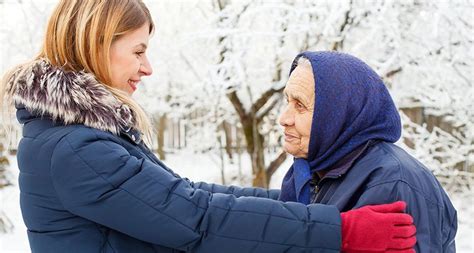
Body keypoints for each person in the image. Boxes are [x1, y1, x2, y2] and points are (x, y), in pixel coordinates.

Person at [0, 1, 417, 252]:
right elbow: (195, 218)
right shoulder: (75, 149)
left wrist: (294, 200)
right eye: (138, 51)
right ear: (95, 42)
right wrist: (338, 232)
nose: (148, 67)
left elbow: (186, 194)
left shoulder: (77, 135)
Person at [278, 51, 457, 252]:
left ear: (338, 114)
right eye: (288, 101)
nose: (283, 118)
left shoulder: (391, 181)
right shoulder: (317, 170)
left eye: (300, 105)